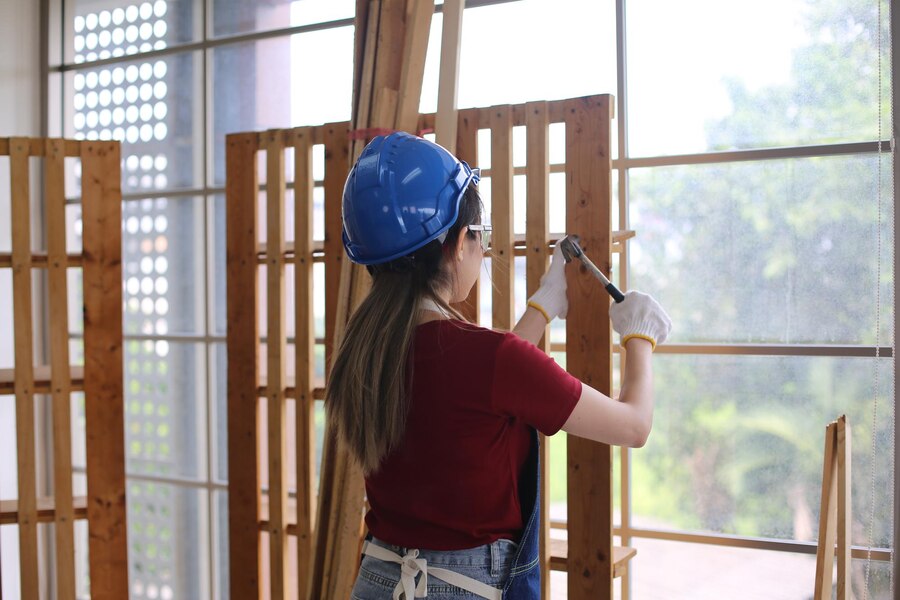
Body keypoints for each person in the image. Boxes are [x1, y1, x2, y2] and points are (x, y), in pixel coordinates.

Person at [327, 131, 672, 600]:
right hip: (463, 587)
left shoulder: (365, 350)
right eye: (480, 236)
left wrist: (543, 307)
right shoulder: (488, 359)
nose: (483, 249)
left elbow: (474, 392)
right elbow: (634, 426)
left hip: (378, 580)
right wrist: (640, 337)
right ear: (456, 244)